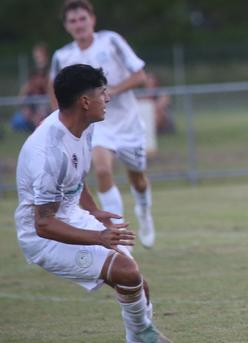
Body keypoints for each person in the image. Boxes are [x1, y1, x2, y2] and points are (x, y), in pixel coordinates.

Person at [14, 64, 171, 342]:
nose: (108, 98)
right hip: (43, 237)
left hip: (70, 215)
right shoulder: (50, 152)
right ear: (85, 101)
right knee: (127, 271)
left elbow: (74, 179)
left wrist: (93, 210)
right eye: (102, 92)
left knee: (137, 284)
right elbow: (43, 224)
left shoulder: (82, 126)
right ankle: (143, 338)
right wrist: (98, 236)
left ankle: (139, 337)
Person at [49, 0, 156, 248]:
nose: (78, 24)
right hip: (96, 126)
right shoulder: (63, 56)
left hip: (127, 124)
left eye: (82, 18)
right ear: (66, 26)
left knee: (138, 179)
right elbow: (54, 91)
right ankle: (118, 234)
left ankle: (144, 211)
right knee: (103, 170)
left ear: (92, 19)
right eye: (72, 20)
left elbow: (141, 76)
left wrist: (109, 92)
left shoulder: (111, 41)